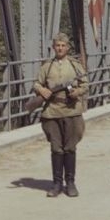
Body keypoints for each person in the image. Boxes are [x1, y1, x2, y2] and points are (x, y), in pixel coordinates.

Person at [33, 32, 88, 198]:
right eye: (57, 45)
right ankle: (56, 183)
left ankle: (70, 183)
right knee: (56, 149)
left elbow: (85, 84)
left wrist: (76, 92)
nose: (60, 48)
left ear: (68, 48)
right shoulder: (47, 66)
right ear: (53, 48)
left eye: (63, 45)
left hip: (71, 111)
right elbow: (37, 83)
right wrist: (42, 89)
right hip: (52, 112)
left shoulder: (75, 65)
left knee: (70, 148)